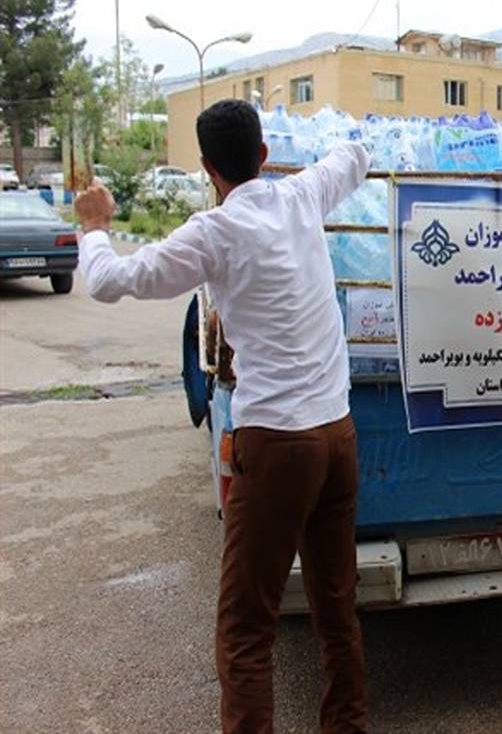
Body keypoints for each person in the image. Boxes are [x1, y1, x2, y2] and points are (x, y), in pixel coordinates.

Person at [74, 99, 370, 732]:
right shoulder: (303, 195)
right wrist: (329, 133)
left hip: (278, 447)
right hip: (337, 438)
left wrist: (95, 224)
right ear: (264, 155)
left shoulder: (211, 234)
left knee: (245, 630)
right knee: (337, 614)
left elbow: (108, 280)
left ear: (208, 168)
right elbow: (355, 154)